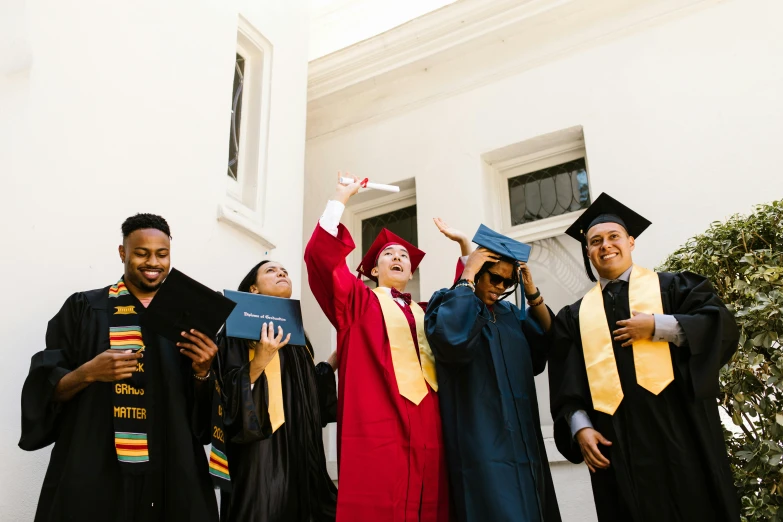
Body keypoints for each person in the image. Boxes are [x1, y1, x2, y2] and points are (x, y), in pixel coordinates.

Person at [548, 193, 740, 521]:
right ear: (588, 251)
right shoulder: (575, 316)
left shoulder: (675, 288)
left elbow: (719, 325)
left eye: (613, 237)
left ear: (631, 242)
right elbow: (567, 378)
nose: (605, 246)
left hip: (681, 434)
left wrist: (657, 326)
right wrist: (580, 428)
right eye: (595, 241)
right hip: (616, 446)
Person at [19, 213, 220, 522]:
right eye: (141, 253)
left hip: (171, 465)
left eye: (162, 254)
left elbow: (203, 414)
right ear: (123, 252)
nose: (152, 262)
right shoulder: (84, 308)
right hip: (95, 464)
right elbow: (45, 390)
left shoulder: (188, 317)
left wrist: (203, 371)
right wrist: (88, 372)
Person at [304, 175, 452, 522]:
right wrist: (341, 198)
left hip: (430, 419)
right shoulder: (357, 302)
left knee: (433, 501)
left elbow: (467, 311)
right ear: (373, 269)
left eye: (404, 255)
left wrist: (463, 249)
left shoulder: (429, 311)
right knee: (379, 501)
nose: (398, 257)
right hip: (378, 421)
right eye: (388, 254)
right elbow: (322, 261)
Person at [425, 223, 561, 522]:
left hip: (524, 436)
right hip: (480, 438)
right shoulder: (448, 302)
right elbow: (452, 340)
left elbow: (549, 344)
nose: (501, 288)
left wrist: (531, 292)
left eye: (507, 283)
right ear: (479, 270)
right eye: (495, 278)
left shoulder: (511, 314)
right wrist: (467, 274)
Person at [216, 259, 338, 522]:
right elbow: (227, 389)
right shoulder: (238, 329)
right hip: (261, 447)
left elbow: (309, 389)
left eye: (284, 271)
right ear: (253, 289)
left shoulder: (297, 335)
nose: (281, 272)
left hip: (301, 442)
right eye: (270, 270)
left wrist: (339, 354)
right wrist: (260, 359)